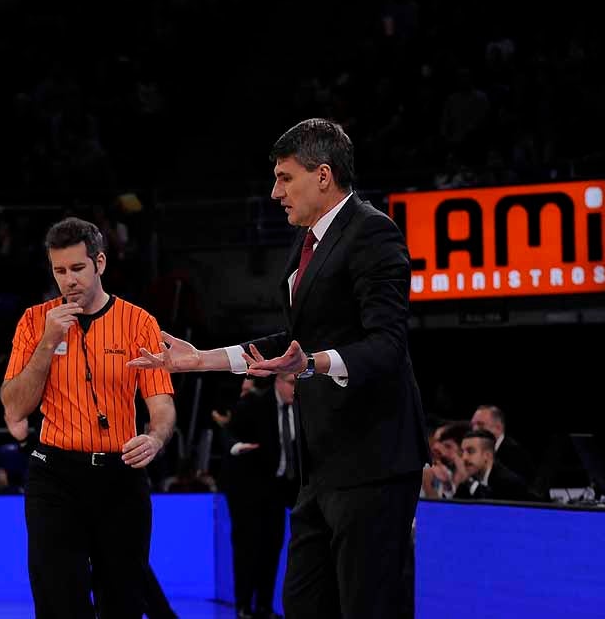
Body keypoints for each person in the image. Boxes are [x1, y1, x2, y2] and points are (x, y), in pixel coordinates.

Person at [128, 118, 430, 618]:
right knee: (303, 602)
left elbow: (387, 346)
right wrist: (203, 359)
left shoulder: (373, 232)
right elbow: (290, 342)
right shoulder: (306, 242)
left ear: (324, 175)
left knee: (369, 606)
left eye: (285, 177)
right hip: (323, 465)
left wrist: (310, 363)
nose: (274, 193)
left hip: (375, 461)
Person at [0, 216, 177, 619]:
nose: (69, 280)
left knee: (124, 602)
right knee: (59, 601)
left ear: (99, 263)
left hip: (120, 477)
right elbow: (14, 406)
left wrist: (155, 437)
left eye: (77, 268)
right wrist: (47, 342)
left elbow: (161, 403)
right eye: (59, 271)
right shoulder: (33, 321)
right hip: (55, 477)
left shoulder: (139, 322)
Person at [221, 373, 300, 619]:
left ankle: (264, 606)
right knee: (247, 548)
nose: (294, 390)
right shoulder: (254, 404)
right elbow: (227, 434)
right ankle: (244, 606)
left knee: (272, 547)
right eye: (291, 384)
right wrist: (237, 447)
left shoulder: (301, 409)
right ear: (278, 381)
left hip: (277, 490)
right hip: (247, 490)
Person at [454, 430, 538, 502]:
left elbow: (494, 511)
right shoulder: (469, 479)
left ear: (487, 455)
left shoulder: (509, 483)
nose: (464, 458)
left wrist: (469, 483)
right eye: (462, 452)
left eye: (470, 451)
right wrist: (447, 484)